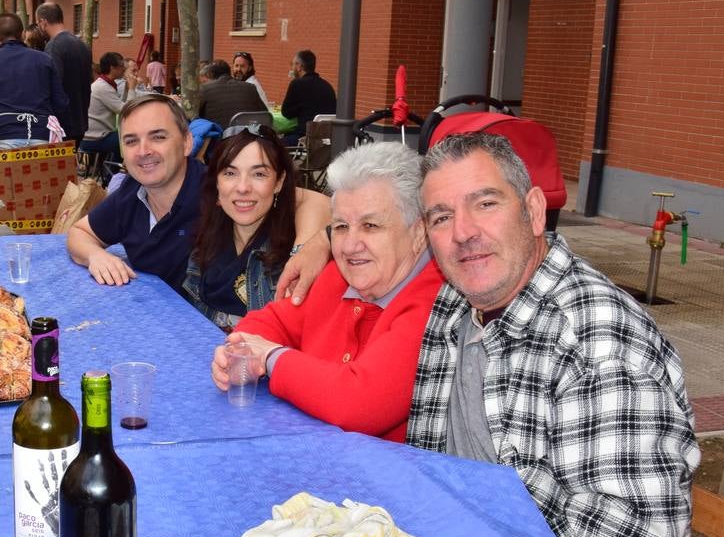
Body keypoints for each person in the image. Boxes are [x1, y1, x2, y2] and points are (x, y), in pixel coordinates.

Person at [411, 131, 699, 537]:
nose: (463, 232)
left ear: (535, 211)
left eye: (485, 203)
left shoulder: (601, 343)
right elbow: (435, 467)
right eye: (441, 216)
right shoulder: (455, 306)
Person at [209, 142, 444, 441]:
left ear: (419, 231)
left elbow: (359, 403)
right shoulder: (338, 277)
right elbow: (271, 322)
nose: (349, 245)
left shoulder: (434, 302)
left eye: (371, 225)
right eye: (341, 226)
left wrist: (270, 358)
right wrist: (239, 352)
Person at [67, 94, 332, 301]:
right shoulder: (131, 192)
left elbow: (315, 202)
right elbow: (80, 233)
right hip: (153, 319)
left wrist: (310, 248)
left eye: (158, 137)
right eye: (131, 141)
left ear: (186, 143)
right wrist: (95, 256)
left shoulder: (219, 187)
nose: (143, 151)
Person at [181, 125, 297, 329]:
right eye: (230, 173)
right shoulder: (206, 240)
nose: (243, 187)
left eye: (259, 174)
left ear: (279, 182)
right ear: (216, 182)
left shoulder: (295, 257)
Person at [0, 13, 69, 150]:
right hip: (41, 134)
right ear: (23, 34)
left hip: (3, 135)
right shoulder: (45, 60)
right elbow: (61, 102)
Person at [36, 2, 92, 142]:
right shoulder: (82, 45)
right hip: (80, 121)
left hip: (61, 126)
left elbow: (53, 86)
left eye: (38, 23)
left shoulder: (54, 47)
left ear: (43, 22)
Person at [280, 49, 337, 142]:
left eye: (293, 64)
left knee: (273, 145)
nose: (292, 68)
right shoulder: (327, 85)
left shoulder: (297, 84)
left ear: (299, 66)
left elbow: (286, 113)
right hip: (326, 139)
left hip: (304, 137)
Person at [81, 51, 128, 157]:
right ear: (112, 68)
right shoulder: (103, 87)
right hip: (95, 138)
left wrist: (128, 88)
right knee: (129, 138)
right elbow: (125, 110)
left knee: (124, 136)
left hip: (96, 135)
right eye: (121, 66)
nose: (124, 69)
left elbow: (121, 104)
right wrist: (133, 89)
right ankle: (114, 171)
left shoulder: (106, 84)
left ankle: (112, 169)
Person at [195, 60, 265, 130]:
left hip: (221, 138)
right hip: (248, 136)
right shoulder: (250, 87)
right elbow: (264, 113)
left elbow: (195, 116)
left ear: (211, 75)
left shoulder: (205, 89)